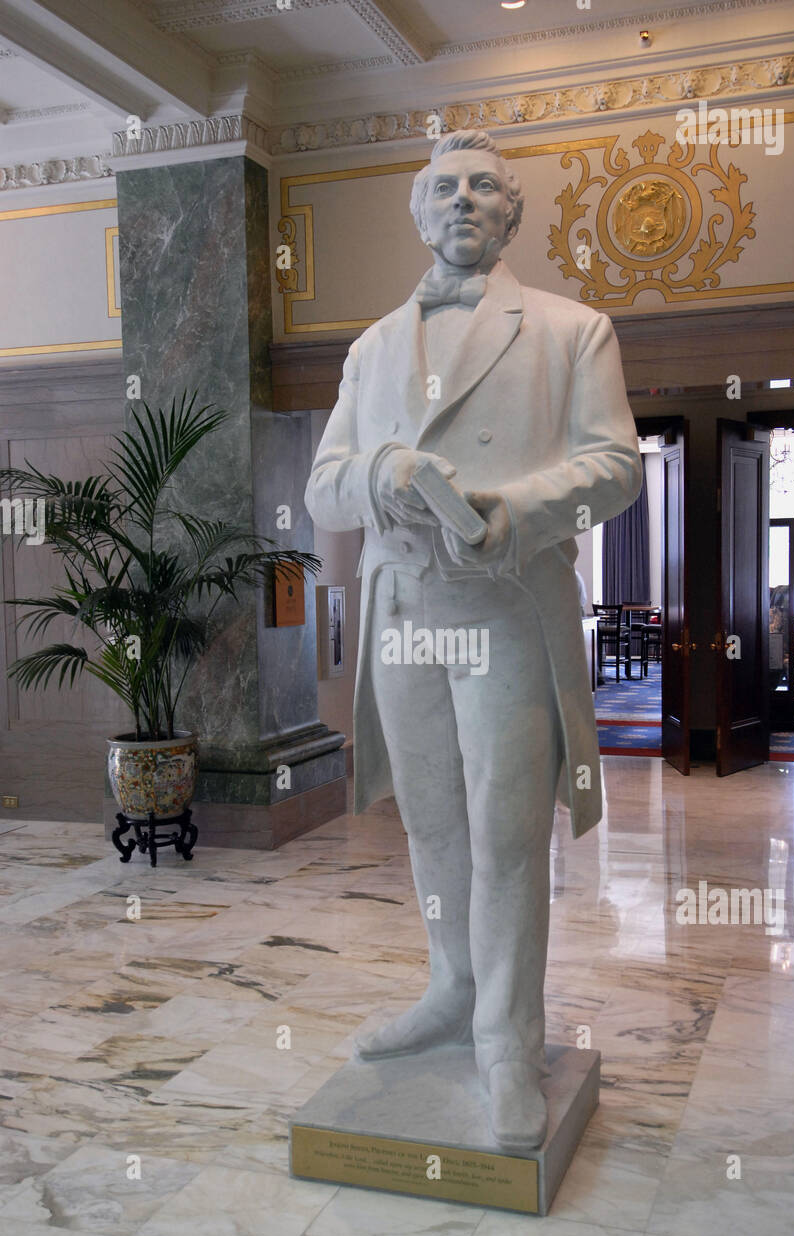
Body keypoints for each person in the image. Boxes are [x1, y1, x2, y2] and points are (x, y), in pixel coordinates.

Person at [304, 129, 641, 1147]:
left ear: (512, 213)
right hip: (405, 614)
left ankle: (507, 1038)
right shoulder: (370, 348)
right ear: (420, 210)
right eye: (443, 187)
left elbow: (616, 464)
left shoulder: (571, 330)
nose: (461, 200)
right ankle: (451, 988)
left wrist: (514, 509)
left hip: (504, 611)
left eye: (483, 186)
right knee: (434, 825)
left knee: (505, 836)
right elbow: (323, 481)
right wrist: (379, 476)